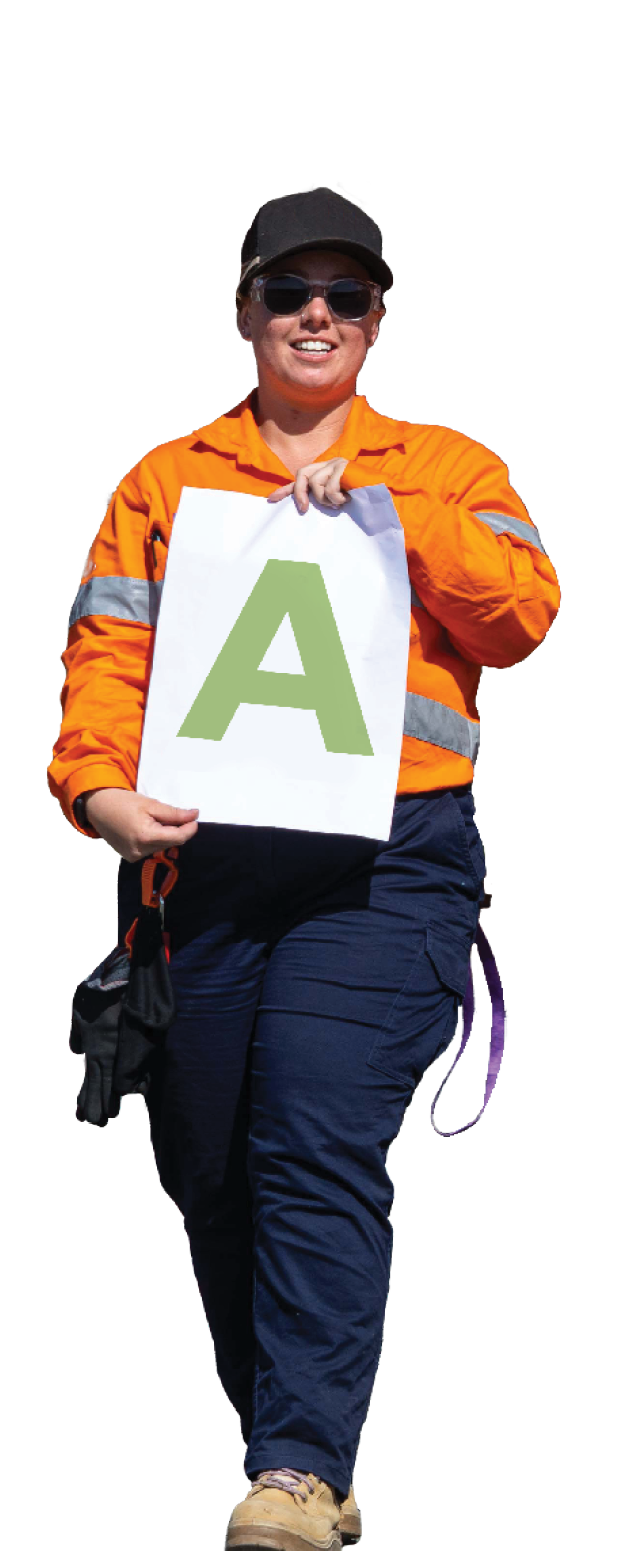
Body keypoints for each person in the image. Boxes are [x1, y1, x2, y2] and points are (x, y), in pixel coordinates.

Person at [47, 184, 561, 1551]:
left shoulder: (443, 467)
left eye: (345, 294)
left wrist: (392, 510)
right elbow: (105, 653)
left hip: (386, 871)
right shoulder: (166, 480)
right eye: (291, 292)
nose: (316, 315)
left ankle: (292, 1464)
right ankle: (300, 1456)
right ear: (245, 310)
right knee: (210, 1163)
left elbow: (521, 614)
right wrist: (95, 789)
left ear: (379, 318)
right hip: (200, 876)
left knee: (310, 1131)